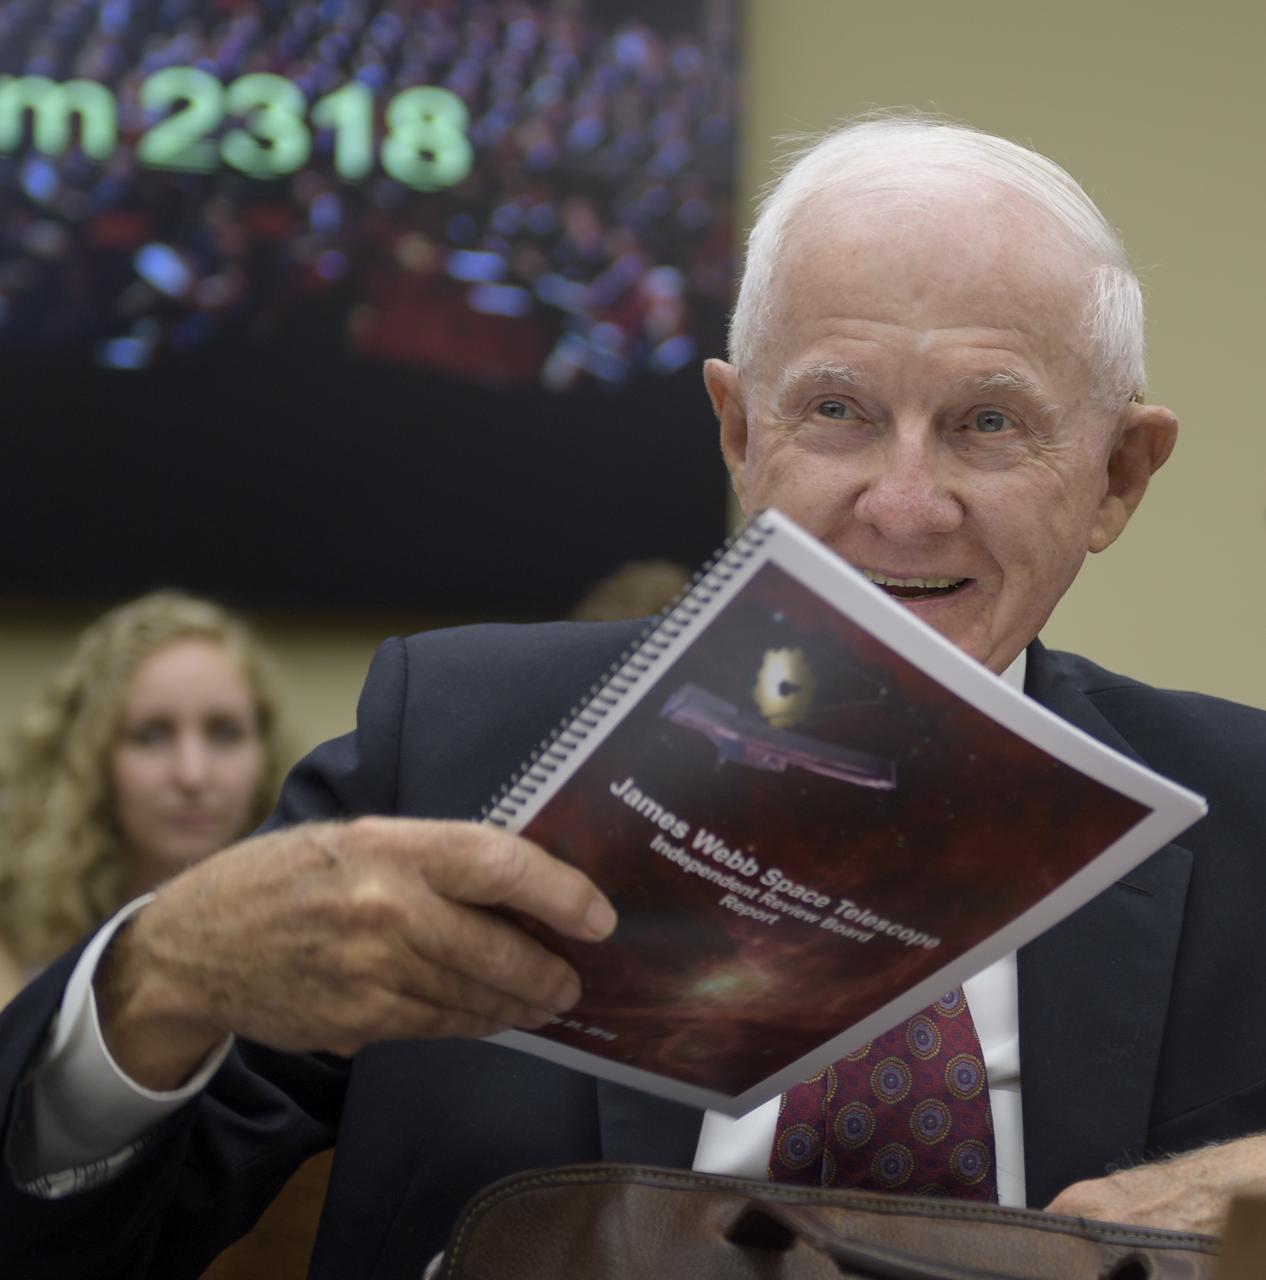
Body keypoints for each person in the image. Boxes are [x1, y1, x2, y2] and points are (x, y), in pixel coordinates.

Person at [3, 115, 1266, 1278]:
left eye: (989, 422)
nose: (903, 502)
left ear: (1117, 474)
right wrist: (158, 979)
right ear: (736, 430)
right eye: (836, 409)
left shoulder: (1243, 812)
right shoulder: (450, 746)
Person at [0, 591, 291, 1009]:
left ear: (265, 751)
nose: (192, 775)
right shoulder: (16, 933)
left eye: (224, 732)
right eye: (150, 735)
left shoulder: (309, 932)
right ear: (91, 757)